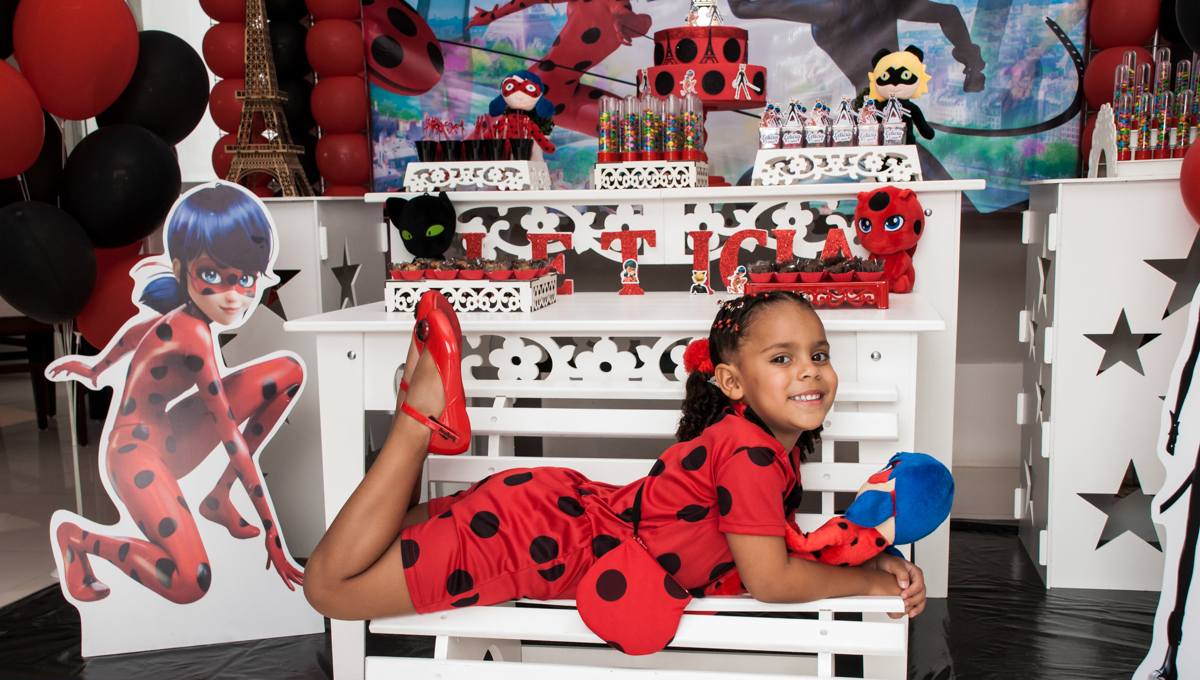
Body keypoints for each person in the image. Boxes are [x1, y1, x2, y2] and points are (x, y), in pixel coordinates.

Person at [303, 289, 932, 651]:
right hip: (537, 542)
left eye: (818, 354)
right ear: (734, 382)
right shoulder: (750, 453)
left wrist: (869, 559)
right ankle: (419, 416)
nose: (810, 370)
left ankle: (417, 402)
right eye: (783, 357)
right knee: (328, 589)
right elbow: (768, 579)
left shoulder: (754, 444)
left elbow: (775, 548)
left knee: (366, 554)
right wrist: (868, 587)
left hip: (546, 515)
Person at [47, 184, 304, 604]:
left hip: (170, 435)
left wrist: (96, 367)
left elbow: (140, 330)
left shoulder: (184, 316)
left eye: (245, 280)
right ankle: (81, 539)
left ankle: (217, 498)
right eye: (212, 276)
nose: (232, 295)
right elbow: (231, 440)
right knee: (190, 581)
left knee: (289, 371)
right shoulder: (195, 335)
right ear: (183, 268)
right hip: (133, 455)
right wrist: (271, 532)